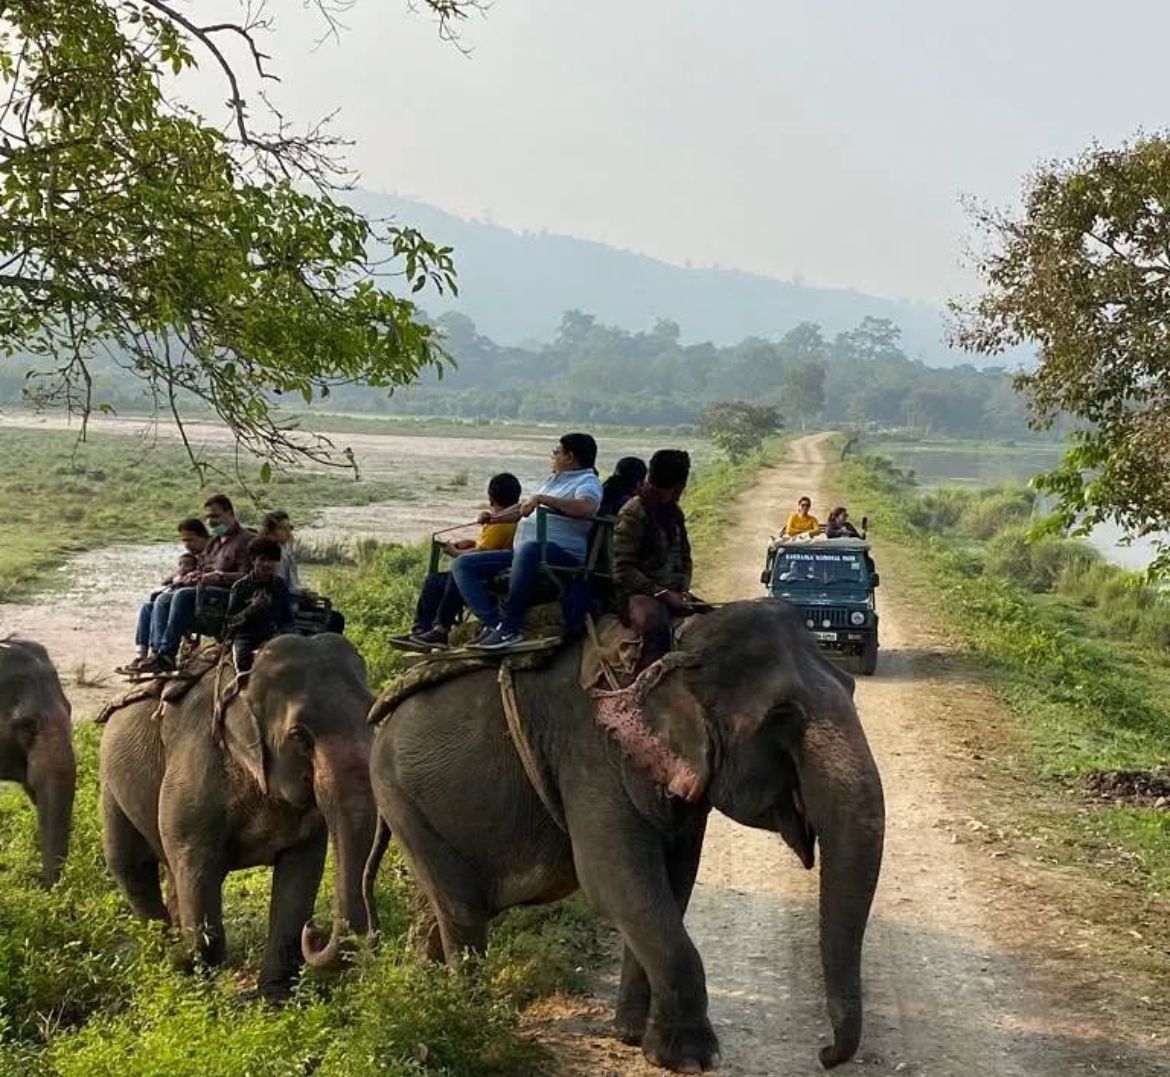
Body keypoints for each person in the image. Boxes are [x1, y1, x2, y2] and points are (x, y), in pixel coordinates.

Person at [451, 432, 603, 651]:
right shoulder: (553, 480)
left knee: (529, 549)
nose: (553, 456)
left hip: (561, 554)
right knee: (462, 564)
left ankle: (511, 627)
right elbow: (524, 511)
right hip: (524, 553)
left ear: (570, 457)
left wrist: (542, 499)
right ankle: (496, 624)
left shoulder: (587, 482)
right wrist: (493, 519)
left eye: (557, 452)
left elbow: (586, 507)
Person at [139, 494, 254, 674]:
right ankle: (159, 654)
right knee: (162, 599)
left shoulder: (246, 540)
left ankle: (169, 651)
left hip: (227, 596)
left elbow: (248, 577)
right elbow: (202, 567)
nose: (211, 522)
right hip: (204, 591)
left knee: (182, 595)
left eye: (215, 516)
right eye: (208, 517)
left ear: (230, 513)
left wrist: (219, 576)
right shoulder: (214, 541)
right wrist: (193, 575)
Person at [407, 473, 522, 647]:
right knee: (442, 579)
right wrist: (471, 542)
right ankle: (431, 629)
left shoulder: (499, 524)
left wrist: (454, 551)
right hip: (493, 567)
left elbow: (481, 555)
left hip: (486, 574)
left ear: (491, 499)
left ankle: (434, 629)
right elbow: (485, 546)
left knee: (440, 580)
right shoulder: (512, 518)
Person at [613, 449, 694, 666]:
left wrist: (683, 590)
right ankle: (643, 691)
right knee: (656, 629)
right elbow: (623, 569)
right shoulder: (634, 512)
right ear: (680, 484)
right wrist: (663, 594)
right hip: (640, 593)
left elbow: (685, 556)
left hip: (674, 592)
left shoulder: (674, 513)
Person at [121, 518, 209, 674]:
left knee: (162, 601)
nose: (187, 545)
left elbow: (211, 573)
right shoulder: (195, 555)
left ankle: (160, 654)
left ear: (202, 536)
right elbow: (171, 578)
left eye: (190, 540)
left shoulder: (209, 553)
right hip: (186, 591)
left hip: (201, 596)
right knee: (148, 607)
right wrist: (177, 578)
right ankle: (142, 654)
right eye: (184, 541)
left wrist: (192, 578)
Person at [225, 537, 294, 672]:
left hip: (274, 634)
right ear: (253, 560)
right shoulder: (240, 587)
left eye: (272, 560)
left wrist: (283, 634)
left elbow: (287, 618)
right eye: (262, 559)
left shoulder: (279, 585)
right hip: (247, 637)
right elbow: (230, 623)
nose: (267, 564)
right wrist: (252, 609)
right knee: (243, 663)